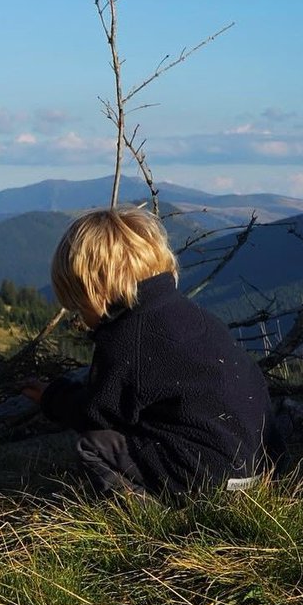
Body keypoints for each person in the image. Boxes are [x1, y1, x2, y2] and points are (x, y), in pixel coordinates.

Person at [23, 207, 274, 504]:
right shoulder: (192, 316)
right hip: (261, 471)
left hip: (211, 478)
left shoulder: (127, 339)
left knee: (92, 445)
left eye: (80, 306)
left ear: (96, 291)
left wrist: (52, 398)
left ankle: (145, 510)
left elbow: (96, 412)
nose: (80, 317)